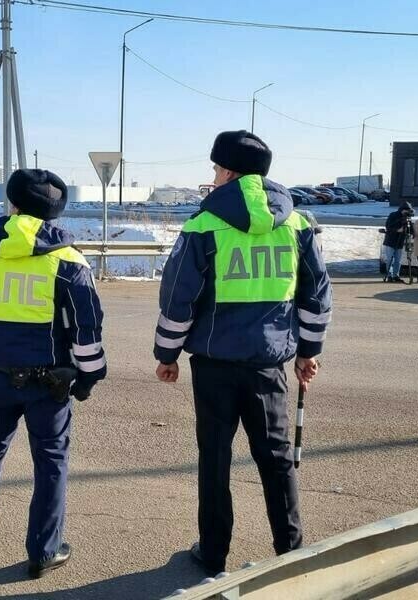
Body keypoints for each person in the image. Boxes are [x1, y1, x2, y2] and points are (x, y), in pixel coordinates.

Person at [153, 130, 333, 575]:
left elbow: (179, 299)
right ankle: (291, 553)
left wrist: (167, 353)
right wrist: (308, 351)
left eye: (215, 169)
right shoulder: (297, 225)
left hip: (214, 366)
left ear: (229, 172)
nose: (213, 177)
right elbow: (317, 296)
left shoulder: (203, 227)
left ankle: (213, 554)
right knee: (277, 459)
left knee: (214, 458)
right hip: (269, 365)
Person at [0, 169, 106, 578]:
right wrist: (89, 376)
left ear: (12, 203)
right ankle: (43, 551)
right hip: (50, 383)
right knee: (50, 463)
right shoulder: (69, 261)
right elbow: (87, 329)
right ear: (54, 212)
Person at [383, 202, 414, 283]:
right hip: (390, 241)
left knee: (398, 260)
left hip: (400, 242)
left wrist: (412, 233)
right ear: (402, 210)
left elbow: (411, 229)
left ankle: (396, 275)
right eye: (406, 211)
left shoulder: (407, 218)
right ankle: (389, 275)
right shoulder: (393, 215)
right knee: (390, 259)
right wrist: (397, 230)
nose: (407, 212)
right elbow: (388, 227)